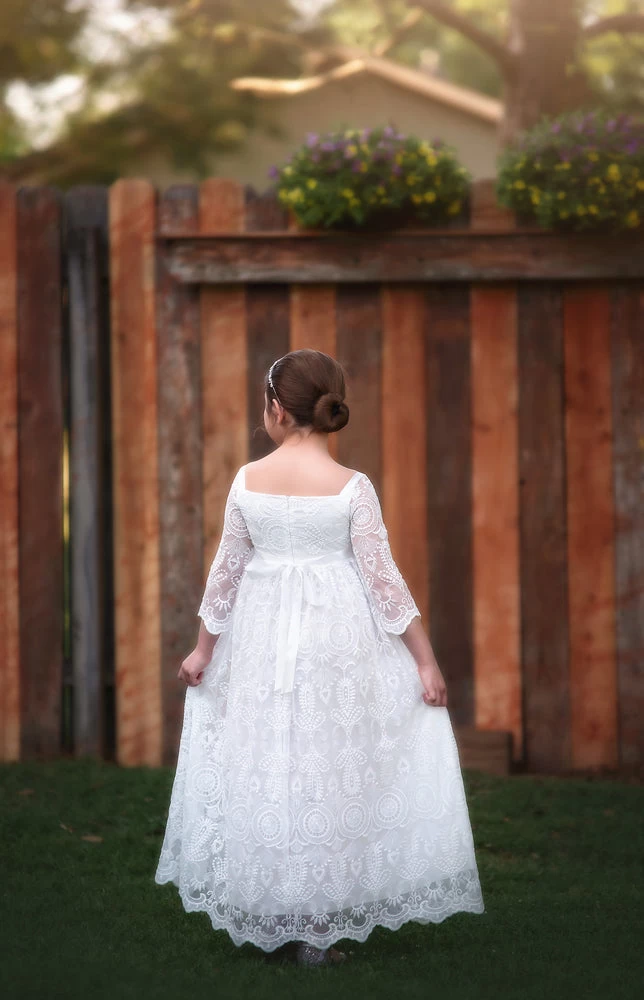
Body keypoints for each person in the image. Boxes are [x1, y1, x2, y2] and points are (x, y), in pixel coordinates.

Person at [154, 349, 485, 967]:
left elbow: (226, 573)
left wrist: (203, 650)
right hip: (337, 641)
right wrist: (424, 661)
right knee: (326, 763)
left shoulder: (247, 480)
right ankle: (313, 922)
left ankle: (275, 907)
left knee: (268, 759)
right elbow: (383, 581)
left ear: (276, 410)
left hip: (260, 639)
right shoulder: (351, 487)